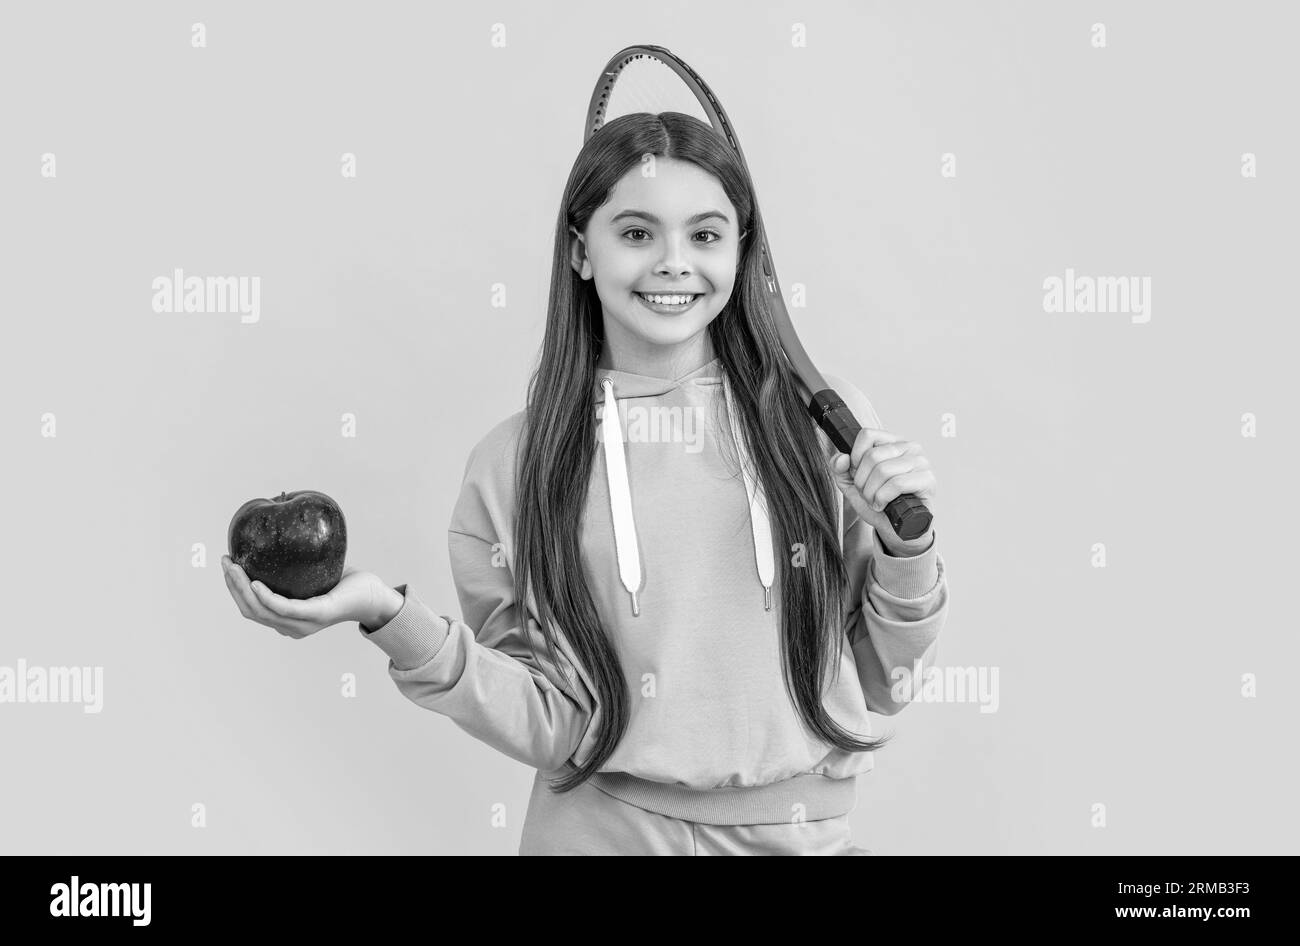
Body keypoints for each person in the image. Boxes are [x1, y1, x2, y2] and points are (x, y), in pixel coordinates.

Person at [222, 112, 949, 856]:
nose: (674, 262)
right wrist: (386, 615)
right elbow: (550, 718)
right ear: (581, 251)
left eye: (704, 235)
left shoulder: (827, 429)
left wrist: (906, 545)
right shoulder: (514, 465)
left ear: (741, 251)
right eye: (637, 234)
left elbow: (881, 680)